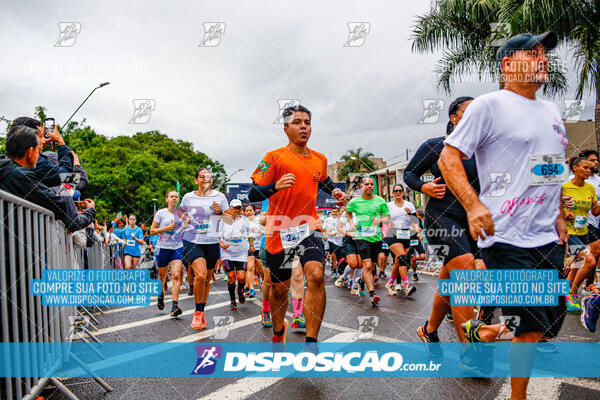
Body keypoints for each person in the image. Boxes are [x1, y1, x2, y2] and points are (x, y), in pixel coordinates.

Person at [440, 32, 567, 400]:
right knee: (529, 324)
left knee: (547, 323)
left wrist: (558, 213)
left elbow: (550, 166)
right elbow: (449, 160)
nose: (543, 59)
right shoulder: (488, 106)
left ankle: (484, 332)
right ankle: (518, 397)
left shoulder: (551, 110)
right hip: (504, 232)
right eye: (533, 53)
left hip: (546, 234)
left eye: (545, 54)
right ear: (508, 64)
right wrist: (473, 205)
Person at [248, 104, 345, 344]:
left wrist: (333, 190)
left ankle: (311, 343)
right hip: (279, 230)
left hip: (308, 225)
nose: (303, 126)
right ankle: (279, 331)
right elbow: (252, 194)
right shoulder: (274, 157)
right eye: (297, 122)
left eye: (307, 122)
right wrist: (275, 187)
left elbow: (322, 179)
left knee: (316, 275)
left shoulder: (319, 159)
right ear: (285, 128)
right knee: (279, 289)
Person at [404, 95, 478, 356]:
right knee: (467, 273)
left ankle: (429, 329)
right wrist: (424, 186)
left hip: (474, 220)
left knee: (453, 278)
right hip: (442, 216)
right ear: (454, 117)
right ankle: (469, 351)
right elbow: (409, 173)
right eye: (470, 111)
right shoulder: (437, 146)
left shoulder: (485, 147)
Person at [0, 125, 95, 232]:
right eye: (38, 151)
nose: (39, 156)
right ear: (30, 152)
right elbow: (73, 190)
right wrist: (76, 164)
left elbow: (79, 184)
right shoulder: (26, 176)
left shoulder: (6, 168)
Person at [179, 168, 230, 330]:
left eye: (208, 177)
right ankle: (197, 312)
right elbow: (180, 213)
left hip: (212, 241)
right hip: (192, 240)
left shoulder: (219, 197)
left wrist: (220, 212)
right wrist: (184, 219)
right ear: (196, 180)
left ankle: (201, 312)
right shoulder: (188, 197)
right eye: (202, 177)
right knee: (200, 275)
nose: (205, 179)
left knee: (207, 278)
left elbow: (229, 219)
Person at [562, 157, 600, 311]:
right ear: (575, 168)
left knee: (576, 265)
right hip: (568, 232)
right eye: (586, 167)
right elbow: (551, 207)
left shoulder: (589, 188)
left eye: (591, 169)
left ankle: (566, 294)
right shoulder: (564, 187)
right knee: (589, 261)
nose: (589, 171)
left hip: (583, 231)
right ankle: (572, 292)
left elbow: (595, 212)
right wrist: (564, 212)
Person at [345, 176, 389, 306]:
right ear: (361, 187)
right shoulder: (355, 202)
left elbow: (387, 216)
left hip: (376, 237)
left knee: (372, 266)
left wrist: (380, 221)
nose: (370, 186)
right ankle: (372, 294)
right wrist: (351, 222)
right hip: (361, 237)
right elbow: (348, 212)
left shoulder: (380, 201)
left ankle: (361, 281)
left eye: (371, 184)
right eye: (367, 184)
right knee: (367, 265)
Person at [150, 190, 185, 316]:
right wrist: (167, 228)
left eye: (176, 197)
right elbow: (152, 231)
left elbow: (186, 229)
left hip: (177, 247)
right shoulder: (161, 213)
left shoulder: (182, 214)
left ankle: (174, 306)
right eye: (171, 197)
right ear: (167, 199)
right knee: (162, 276)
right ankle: (160, 295)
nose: (174, 199)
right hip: (163, 247)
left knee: (176, 275)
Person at [219, 199, 253, 310]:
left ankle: (240, 290)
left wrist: (251, 245)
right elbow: (218, 237)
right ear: (230, 208)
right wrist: (221, 244)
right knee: (231, 277)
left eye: (238, 208)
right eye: (234, 208)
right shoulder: (223, 220)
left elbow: (249, 234)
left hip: (241, 252)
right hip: (227, 253)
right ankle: (233, 300)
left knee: (242, 278)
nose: (236, 210)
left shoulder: (244, 220)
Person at [384, 184, 417, 297]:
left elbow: (415, 220)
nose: (398, 192)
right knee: (402, 256)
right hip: (392, 233)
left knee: (400, 260)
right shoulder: (388, 205)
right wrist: (388, 223)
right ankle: (407, 285)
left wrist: (410, 214)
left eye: (400, 191)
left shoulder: (409, 205)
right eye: (395, 191)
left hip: (405, 234)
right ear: (393, 193)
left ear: (403, 192)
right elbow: (383, 219)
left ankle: (390, 283)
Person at [244, 203, 264, 298]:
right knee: (250, 267)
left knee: (260, 269)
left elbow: (265, 230)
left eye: (250, 210)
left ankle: (263, 281)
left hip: (259, 247)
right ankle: (251, 289)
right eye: (246, 210)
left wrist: (260, 232)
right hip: (249, 247)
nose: (248, 212)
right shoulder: (243, 222)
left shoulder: (259, 220)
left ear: (254, 211)